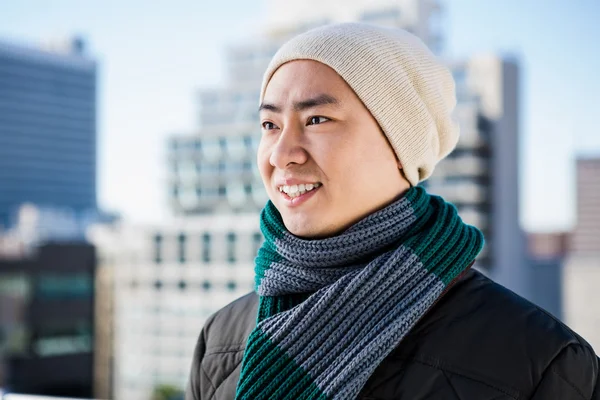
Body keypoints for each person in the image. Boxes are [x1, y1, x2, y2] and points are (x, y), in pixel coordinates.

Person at [186, 22, 599, 400]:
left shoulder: (541, 360)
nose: (282, 154)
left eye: (317, 119)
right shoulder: (222, 338)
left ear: (401, 147)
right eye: (270, 125)